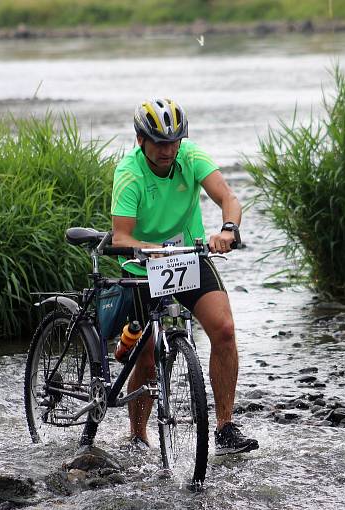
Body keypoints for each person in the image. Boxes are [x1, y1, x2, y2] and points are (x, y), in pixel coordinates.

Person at [110, 98, 258, 456]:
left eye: (174, 141)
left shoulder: (190, 157)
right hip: (142, 264)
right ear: (141, 140)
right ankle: (137, 434)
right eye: (160, 143)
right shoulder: (129, 173)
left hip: (187, 258)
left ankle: (225, 427)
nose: (168, 149)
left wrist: (228, 228)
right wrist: (149, 248)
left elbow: (228, 197)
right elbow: (121, 237)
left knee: (223, 329)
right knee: (145, 356)